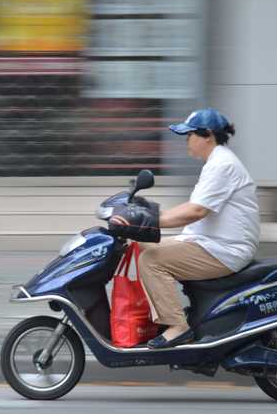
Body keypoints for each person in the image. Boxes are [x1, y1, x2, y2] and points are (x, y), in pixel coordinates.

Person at [110, 108, 260, 349]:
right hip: (209, 242)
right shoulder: (217, 162)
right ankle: (157, 317)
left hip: (225, 250)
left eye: (189, 135)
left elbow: (195, 211)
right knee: (142, 244)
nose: (186, 142)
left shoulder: (222, 165)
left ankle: (178, 327)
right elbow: (194, 207)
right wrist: (149, 216)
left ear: (208, 135)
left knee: (152, 261)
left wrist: (149, 220)